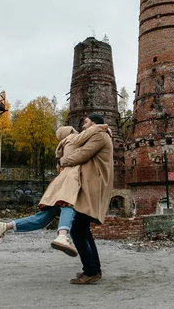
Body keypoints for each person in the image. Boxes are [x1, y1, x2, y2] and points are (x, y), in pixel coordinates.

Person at [0, 124, 109, 257]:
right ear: (70, 131)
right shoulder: (73, 139)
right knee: (68, 204)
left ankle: (5, 226)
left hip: (60, 182)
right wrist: (103, 126)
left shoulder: (64, 143)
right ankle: (62, 236)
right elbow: (81, 151)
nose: (80, 129)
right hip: (70, 181)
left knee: (42, 219)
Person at [59, 114, 114, 285]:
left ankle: (90, 270)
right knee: (83, 229)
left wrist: (61, 161)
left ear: (95, 123)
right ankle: (93, 269)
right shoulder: (100, 135)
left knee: (76, 228)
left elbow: (81, 154)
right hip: (92, 186)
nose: (83, 126)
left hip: (92, 187)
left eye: (86, 122)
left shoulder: (98, 135)